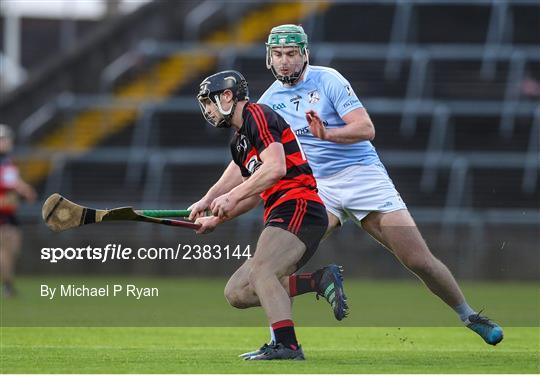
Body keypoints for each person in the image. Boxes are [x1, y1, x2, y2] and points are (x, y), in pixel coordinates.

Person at [251, 24, 503, 347]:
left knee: (417, 259)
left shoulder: (329, 80)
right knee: (277, 264)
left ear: (304, 54)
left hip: (361, 175)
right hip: (317, 189)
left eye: (290, 53)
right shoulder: (268, 102)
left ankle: (469, 315)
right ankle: (282, 341)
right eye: (277, 54)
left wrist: (329, 135)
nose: (284, 61)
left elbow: (366, 128)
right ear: (269, 58)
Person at [190, 70, 347, 360]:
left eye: (209, 102)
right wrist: (213, 212)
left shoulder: (257, 115)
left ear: (227, 96)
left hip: (299, 204)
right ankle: (318, 281)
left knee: (263, 272)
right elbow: (251, 194)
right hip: (279, 211)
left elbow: (275, 168)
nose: (207, 110)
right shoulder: (239, 141)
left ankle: (286, 345)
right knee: (237, 292)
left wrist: (230, 196)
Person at [0, 124, 37, 297]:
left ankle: (8, 283)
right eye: (4, 139)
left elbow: (14, 182)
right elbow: (8, 185)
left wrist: (25, 190)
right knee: (6, 249)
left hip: (10, 211)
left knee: (14, 248)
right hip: (2, 213)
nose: (8, 142)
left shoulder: (7, 161)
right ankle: (8, 286)